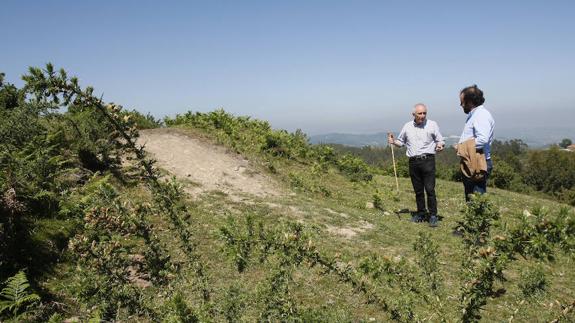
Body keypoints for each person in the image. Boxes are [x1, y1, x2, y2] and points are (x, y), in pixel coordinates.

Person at [388, 103, 445, 227]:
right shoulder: (407, 126)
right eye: (420, 113)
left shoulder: (432, 124)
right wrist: (393, 142)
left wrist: (440, 145)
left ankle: (433, 215)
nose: (423, 116)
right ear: (413, 114)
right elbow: (400, 142)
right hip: (413, 162)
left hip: (428, 160)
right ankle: (420, 213)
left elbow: (440, 140)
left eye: (424, 113)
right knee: (418, 190)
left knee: (430, 189)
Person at [457, 84, 495, 201]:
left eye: (462, 101)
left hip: (478, 162)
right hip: (473, 160)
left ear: (469, 101)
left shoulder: (481, 115)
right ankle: (472, 218)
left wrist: (462, 147)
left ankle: (478, 218)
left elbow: (482, 140)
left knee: (477, 197)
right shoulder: (475, 115)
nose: (461, 104)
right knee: (471, 195)